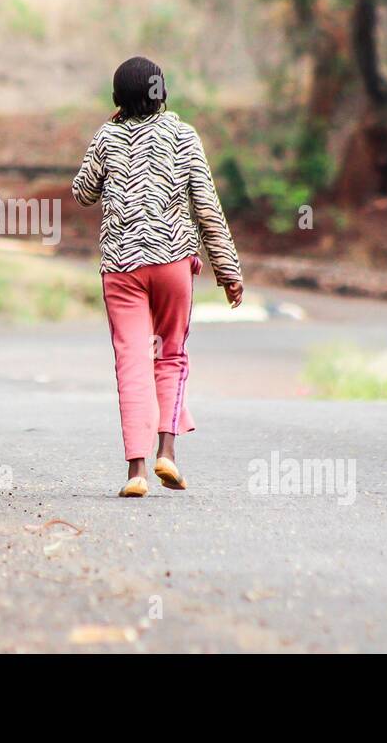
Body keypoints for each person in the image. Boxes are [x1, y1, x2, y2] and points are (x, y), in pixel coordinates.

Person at [72, 56, 244, 498]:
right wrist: (228, 271)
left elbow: (83, 192)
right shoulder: (184, 136)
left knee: (130, 363)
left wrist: (108, 134)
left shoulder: (107, 137)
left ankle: (137, 471)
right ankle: (167, 449)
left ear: (115, 101)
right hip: (171, 263)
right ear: (162, 93)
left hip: (121, 269)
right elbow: (206, 207)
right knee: (170, 355)